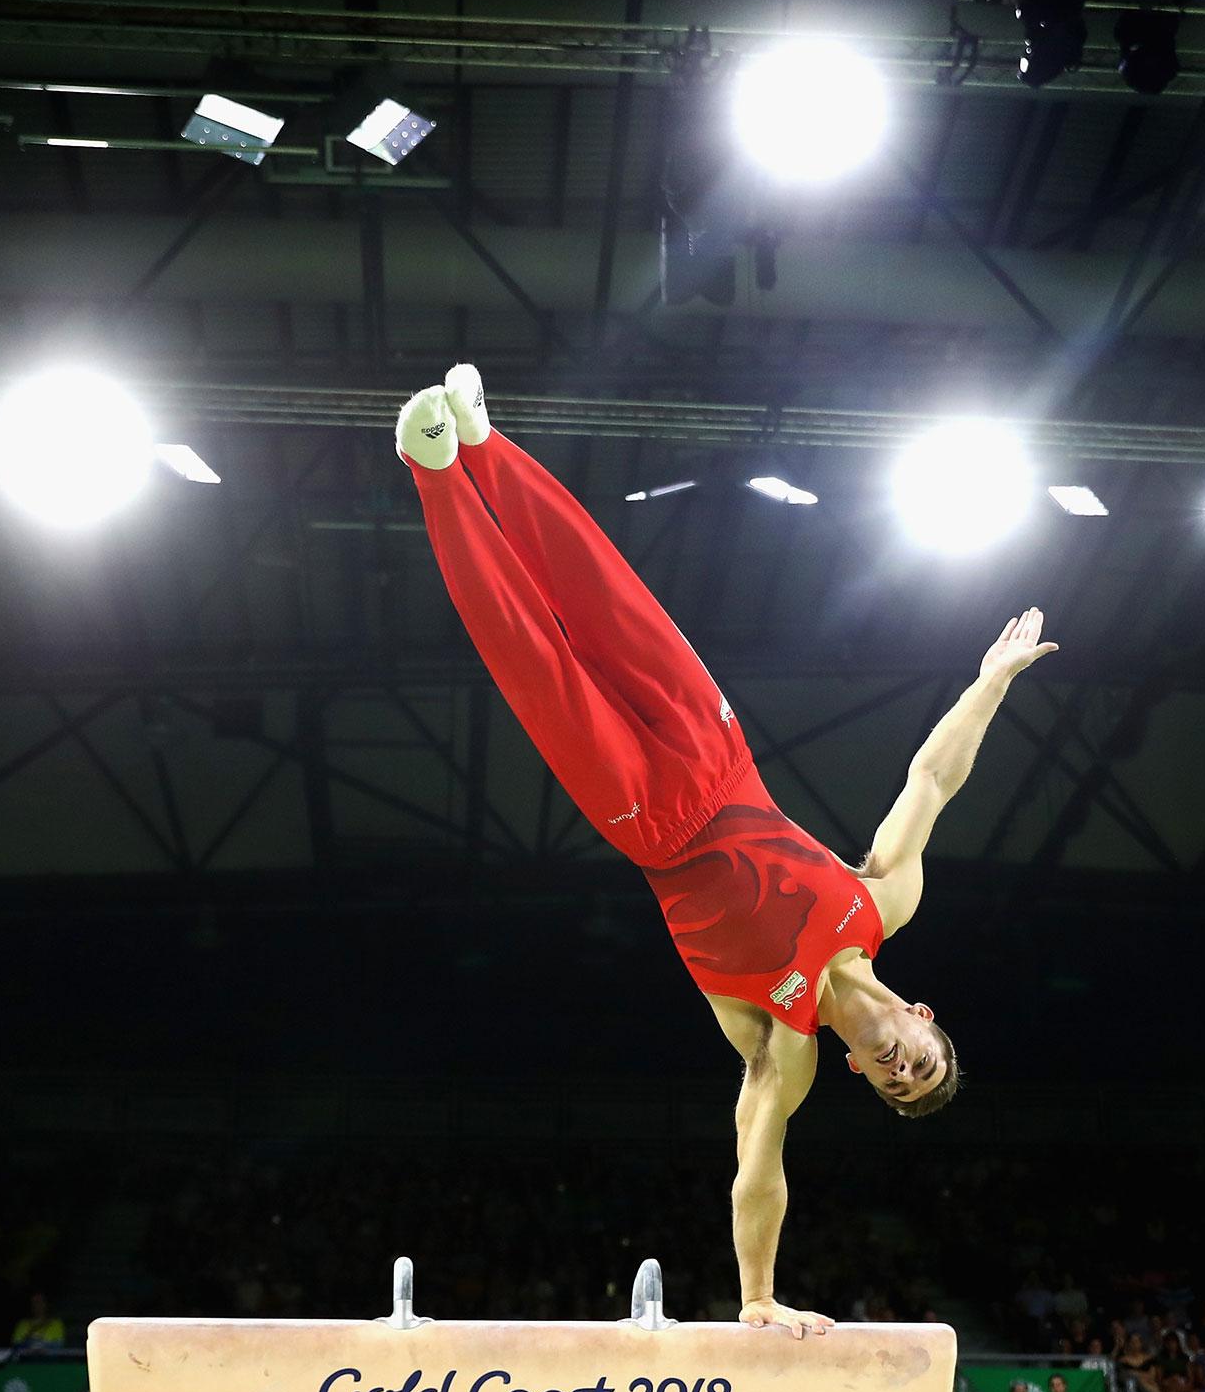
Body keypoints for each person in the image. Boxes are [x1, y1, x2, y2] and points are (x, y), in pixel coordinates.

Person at [395, 366, 1058, 1338]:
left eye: (897, 1080)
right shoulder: (881, 903)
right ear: (922, 1018)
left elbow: (758, 1171)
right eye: (921, 1059)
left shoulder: (779, 1048)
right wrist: (991, 679)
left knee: (535, 658)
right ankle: (490, 445)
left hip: (651, 827)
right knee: (605, 594)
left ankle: (437, 470)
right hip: (720, 754)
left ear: (861, 1078)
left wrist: (754, 1296)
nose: (902, 1065)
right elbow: (930, 783)